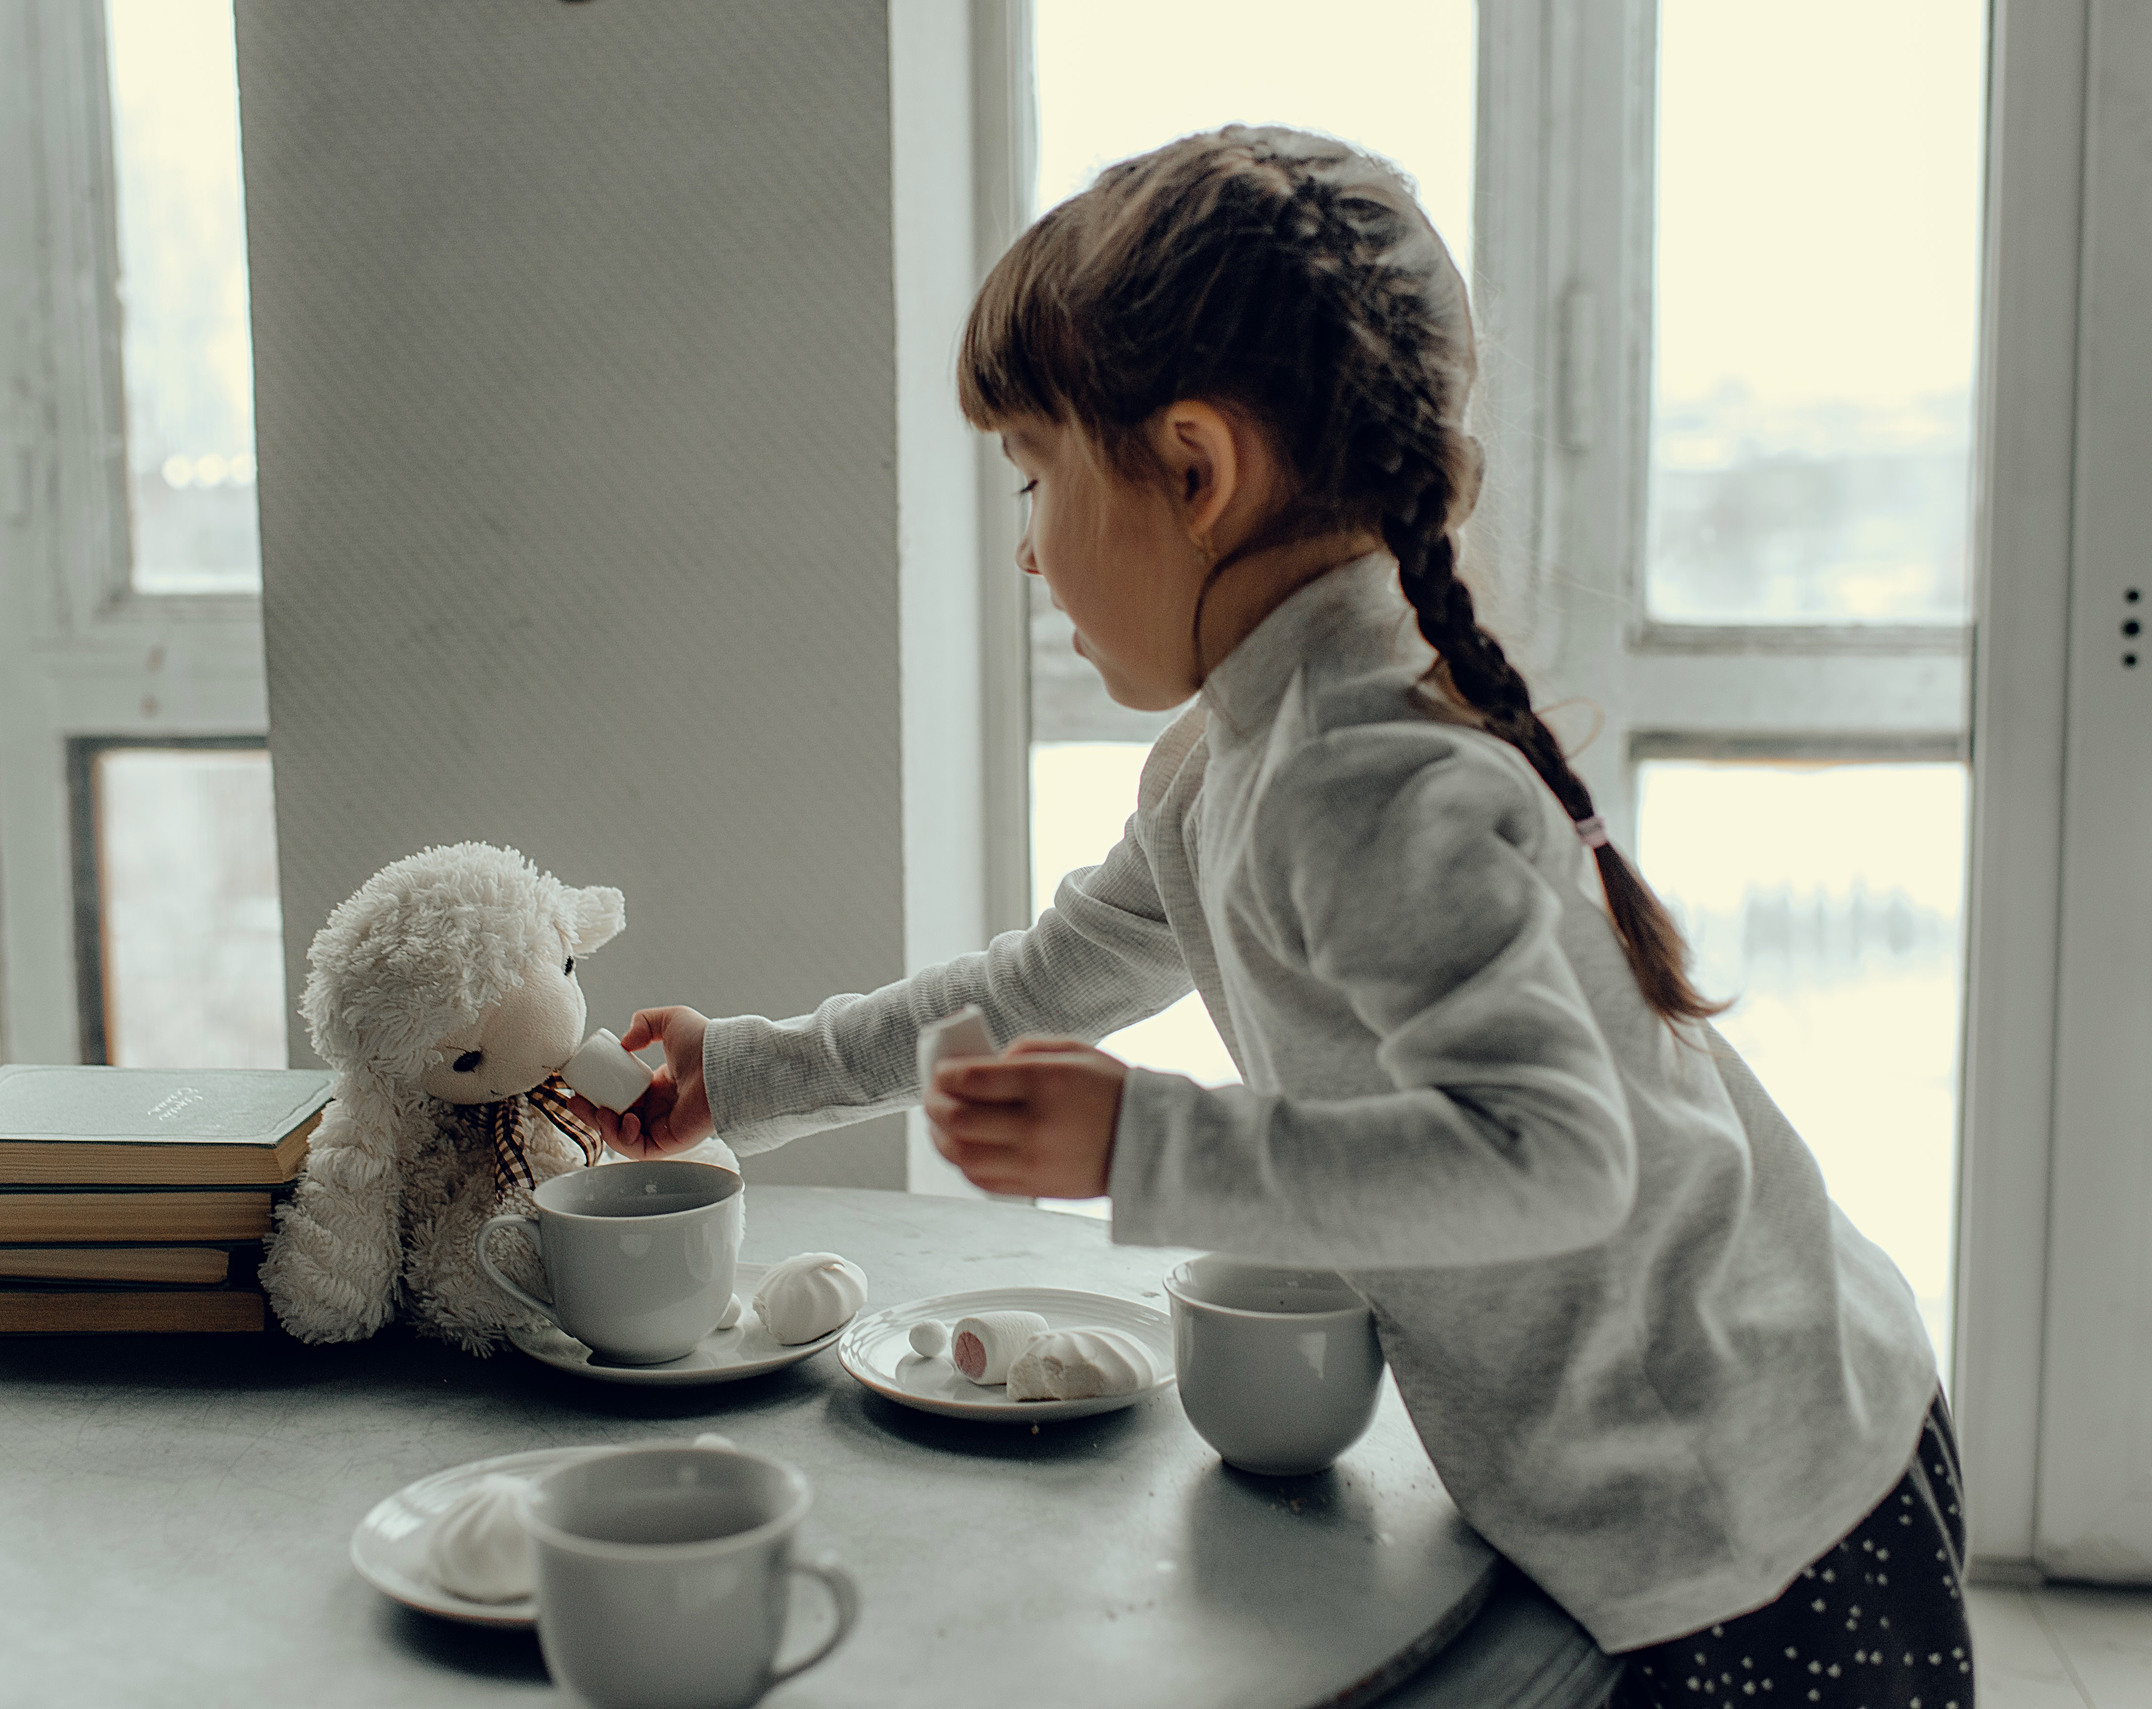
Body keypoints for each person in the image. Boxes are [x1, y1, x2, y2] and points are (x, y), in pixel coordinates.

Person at [570, 127, 1967, 1705]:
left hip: (1755, 1508)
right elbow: (1047, 974)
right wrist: (750, 1070)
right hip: (1691, 1486)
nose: (1024, 549)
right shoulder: (1230, 763)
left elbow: (1557, 1157)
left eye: (1034, 476)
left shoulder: (1367, 779)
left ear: (1191, 467)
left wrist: (1144, 1148)